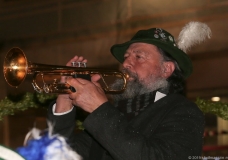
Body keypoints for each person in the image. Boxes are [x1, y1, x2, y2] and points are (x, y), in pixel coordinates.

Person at [48, 27, 205, 160]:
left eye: (138, 56)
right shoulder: (118, 114)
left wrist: (99, 108)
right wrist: (64, 100)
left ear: (166, 69)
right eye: (126, 57)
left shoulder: (184, 111)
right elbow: (61, 155)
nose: (125, 64)